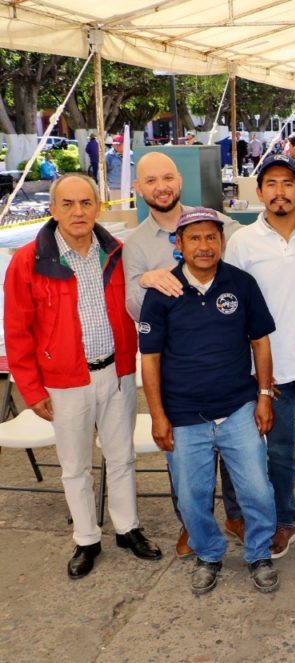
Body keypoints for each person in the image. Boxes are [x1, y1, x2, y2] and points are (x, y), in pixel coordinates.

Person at [4, 173, 161, 580]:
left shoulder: (117, 253)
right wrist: (31, 389)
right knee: (75, 466)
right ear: (53, 210)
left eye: (86, 203)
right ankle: (87, 538)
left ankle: (127, 528)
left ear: (98, 208)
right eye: (68, 204)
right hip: (65, 382)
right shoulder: (28, 261)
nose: (78, 211)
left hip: (117, 373)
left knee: (121, 456)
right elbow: (17, 331)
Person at [139, 207, 279, 596]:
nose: (204, 245)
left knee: (257, 490)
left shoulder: (242, 283)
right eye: (195, 238)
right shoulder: (162, 292)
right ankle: (209, 553)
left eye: (211, 237)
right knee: (191, 497)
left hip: (238, 409)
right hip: (184, 416)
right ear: (179, 244)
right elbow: (150, 360)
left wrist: (264, 396)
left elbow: (260, 342)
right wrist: (157, 416)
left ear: (222, 241)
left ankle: (259, 553)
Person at [123, 151, 243, 557]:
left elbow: (256, 242)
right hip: (177, 368)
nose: (161, 187)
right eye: (151, 180)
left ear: (180, 180)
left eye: (167, 178)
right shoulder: (136, 245)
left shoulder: (215, 222)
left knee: (234, 445)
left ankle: (236, 516)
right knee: (183, 453)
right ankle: (192, 523)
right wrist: (147, 282)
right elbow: (133, 307)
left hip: (225, 358)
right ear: (139, 189)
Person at [224, 154, 295, 561]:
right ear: (259, 192)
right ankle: (285, 520)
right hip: (267, 372)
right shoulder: (242, 242)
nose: (280, 192)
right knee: (277, 452)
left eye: (288, 184)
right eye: (271, 184)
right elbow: (233, 308)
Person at [105, 135, 131, 202]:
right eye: (115, 144)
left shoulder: (131, 154)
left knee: (130, 208)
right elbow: (102, 173)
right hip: (115, 188)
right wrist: (102, 188)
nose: (117, 146)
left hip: (130, 188)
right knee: (116, 207)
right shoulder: (108, 156)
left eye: (119, 144)